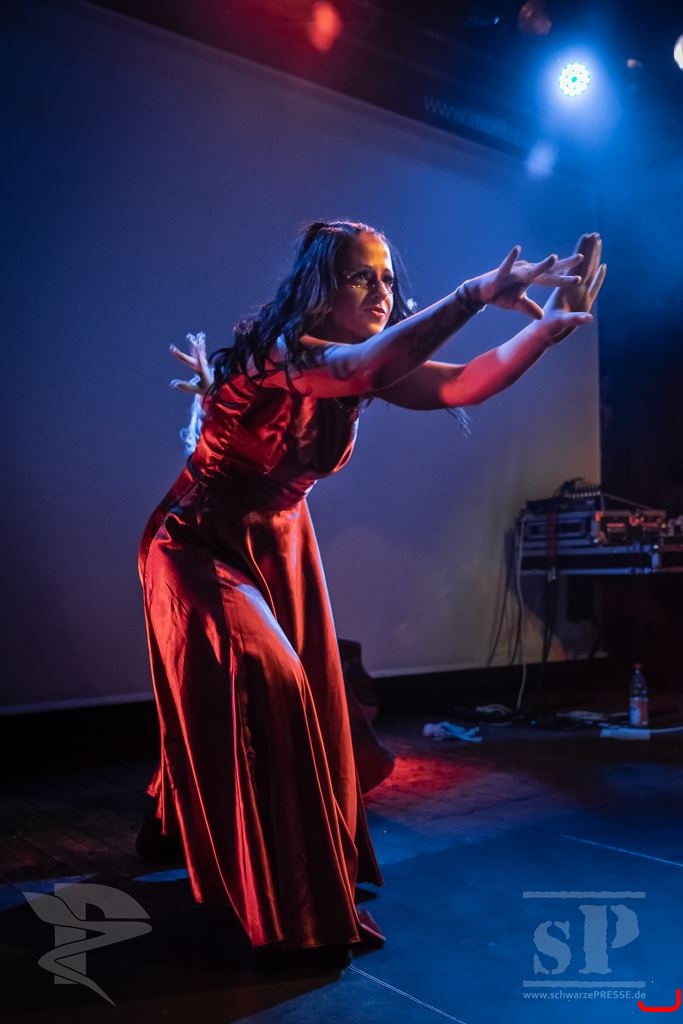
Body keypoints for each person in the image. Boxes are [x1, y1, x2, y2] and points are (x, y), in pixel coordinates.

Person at [137, 220, 605, 968]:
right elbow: (359, 366)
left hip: (282, 539)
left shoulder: (364, 367)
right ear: (320, 287)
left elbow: (461, 381)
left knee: (300, 699)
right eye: (361, 277)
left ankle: (227, 847)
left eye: (387, 278)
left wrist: (542, 334)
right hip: (198, 541)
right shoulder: (281, 351)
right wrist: (473, 294)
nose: (381, 291)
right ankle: (284, 900)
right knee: (269, 682)